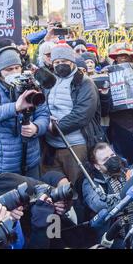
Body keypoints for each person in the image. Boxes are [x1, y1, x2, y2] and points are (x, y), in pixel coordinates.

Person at [42, 44, 105, 187]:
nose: (60, 65)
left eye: (64, 61)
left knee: (77, 187)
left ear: (72, 62)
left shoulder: (85, 83)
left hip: (76, 145)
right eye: (57, 62)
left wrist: (55, 128)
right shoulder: (50, 82)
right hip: (51, 146)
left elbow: (82, 115)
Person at [0, 47, 50, 179]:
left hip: (30, 161)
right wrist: (15, 107)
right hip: (1, 166)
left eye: (17, 67)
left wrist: (36, 128)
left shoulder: (31, 87)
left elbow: (43, 114)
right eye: (9, 69)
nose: (15, 72)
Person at [82, 142, 133, 247]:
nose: (111, 160)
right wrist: (127, 194)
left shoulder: (128, 171)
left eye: (112, 156)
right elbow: (97, 205)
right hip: (113, 234)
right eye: (105, 159)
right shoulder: (91, 182)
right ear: (97, 166)